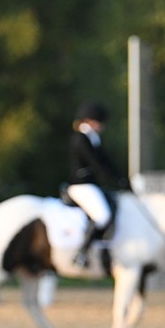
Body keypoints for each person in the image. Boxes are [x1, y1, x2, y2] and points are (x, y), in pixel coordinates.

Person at [65, 101, 130, 267]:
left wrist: (121, 178)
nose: (101, 126)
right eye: (99, 122)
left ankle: (105, 251)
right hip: (80, 186)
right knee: (102, 216)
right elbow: (96, 163)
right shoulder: (80, 139)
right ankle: (81, 253)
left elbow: (106, 161)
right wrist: (112, 178)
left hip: (91, 186)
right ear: (89, 121)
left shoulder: (93, 139)